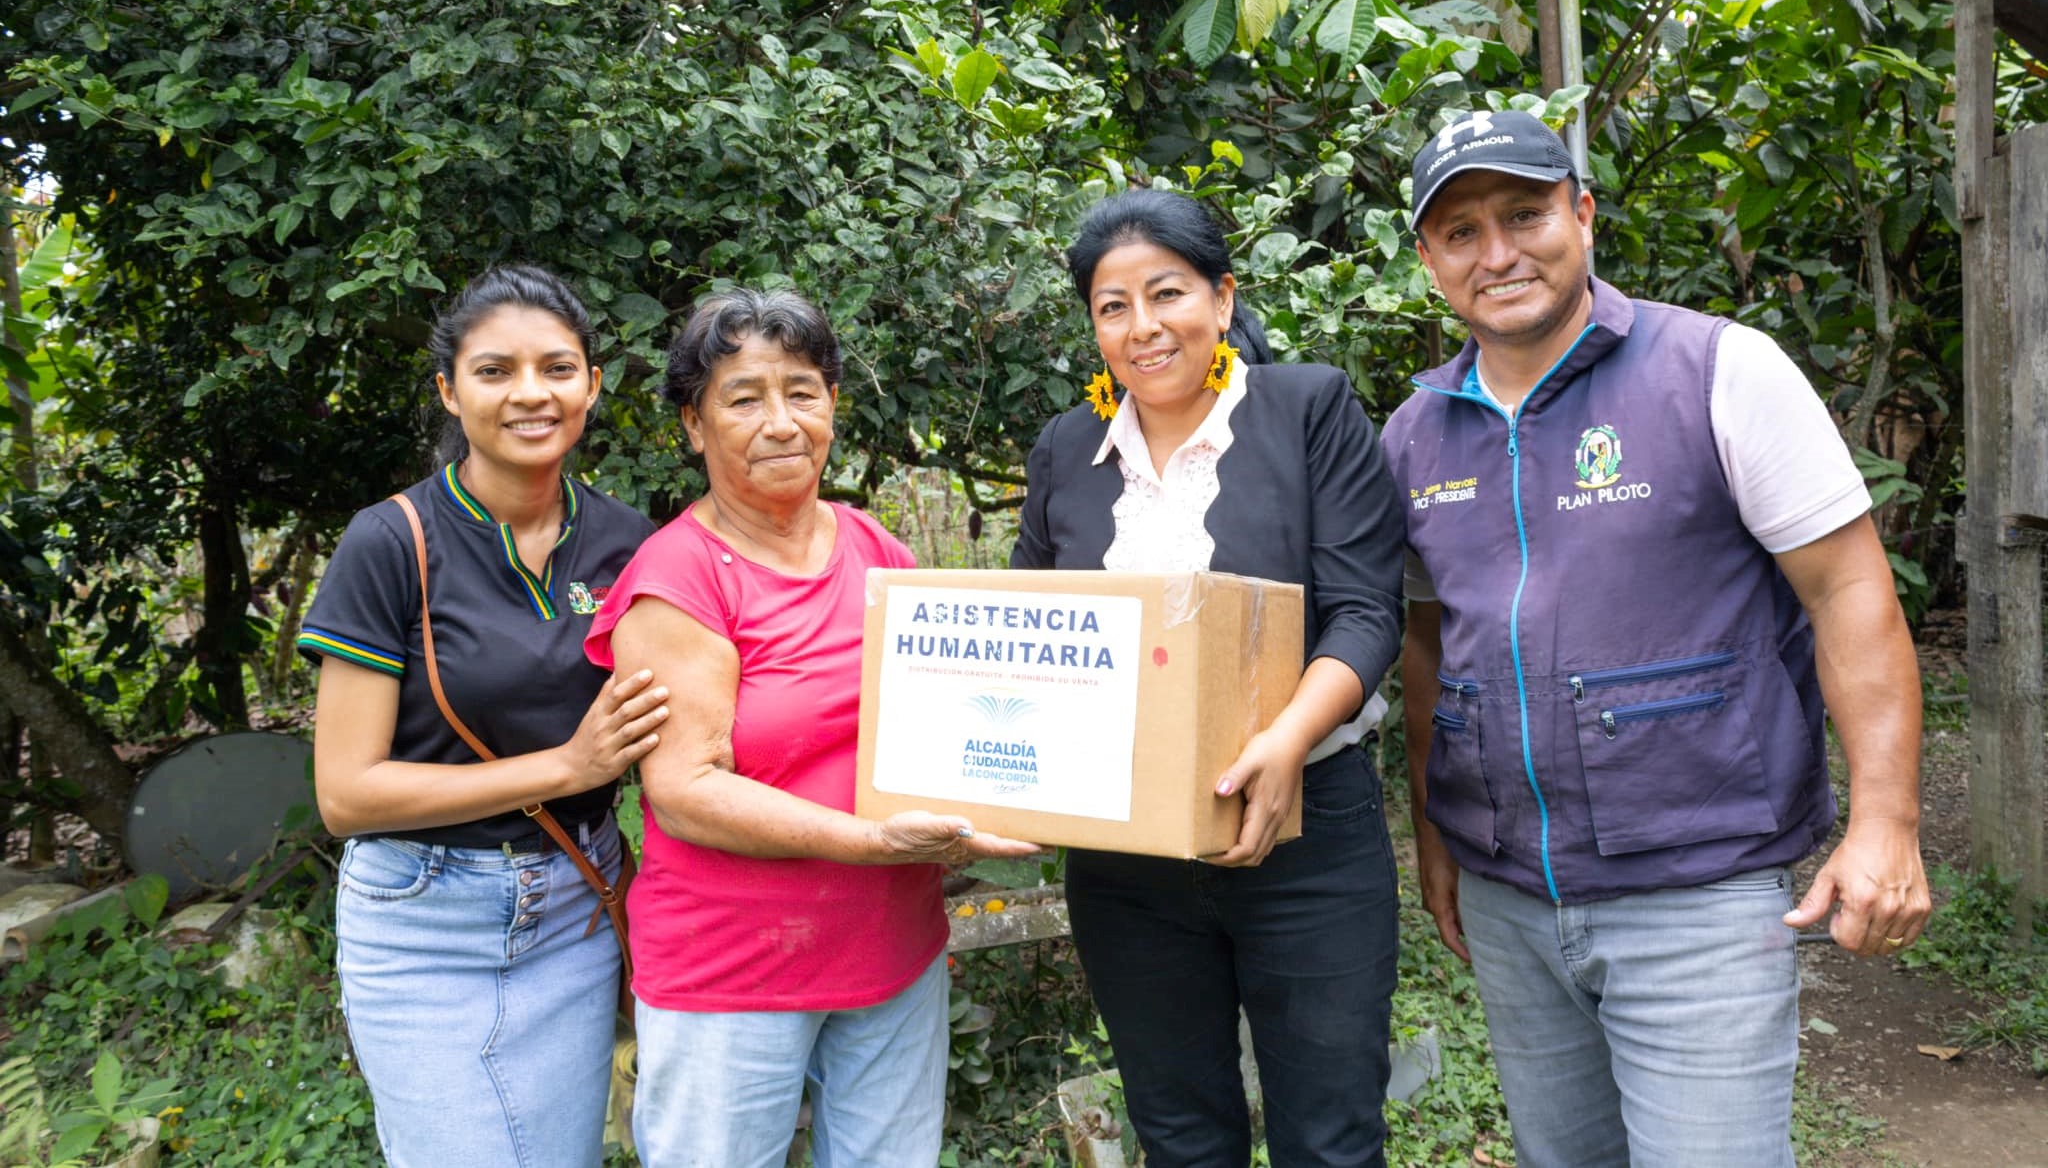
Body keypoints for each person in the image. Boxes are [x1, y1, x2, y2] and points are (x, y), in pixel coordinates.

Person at [1386, 107, 1933, 1168]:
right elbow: (1428, 646)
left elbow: (1848, 590)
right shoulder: (1414, 436)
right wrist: (1435, 833)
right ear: (1429, 261)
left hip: (1698, 897)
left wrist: (1887, 821)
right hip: (1509, 905)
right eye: (1460, 232)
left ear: (1582, 215)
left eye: (1524, 215)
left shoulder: (1718, 371)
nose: (1497, 253)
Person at [584, 288, 1037, 1167]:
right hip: (732, 972)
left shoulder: (877, 551)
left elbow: (940, 720)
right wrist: (875, 842)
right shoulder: (679, 577)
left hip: (891, 956)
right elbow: (684, 793)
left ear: (832, 404)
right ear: (694, 425)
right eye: (743, 398)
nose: (781, 422)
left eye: (802, 391)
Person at [1010, 189, 1408, 1167]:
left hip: (1304, 832)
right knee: (1180, 1135)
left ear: (1222, 300)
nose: (1142, 327)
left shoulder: (1307, 408)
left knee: (1330, 1137)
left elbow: (1364, 610)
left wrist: (1286, 739)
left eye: (1167, 294)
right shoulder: (1066, 449)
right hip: (1125, 857)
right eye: (1112, 306)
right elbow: (1027, 632)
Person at [300, 263, 667, 1167]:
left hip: (577, 907)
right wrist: (569, 767)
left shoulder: (629, 541)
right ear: (449, 392)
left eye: (557, 368)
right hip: (424, 921)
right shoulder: (391, 542)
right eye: (495, 371)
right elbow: (346, 795)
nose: (530, 393)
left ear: (591, 384)